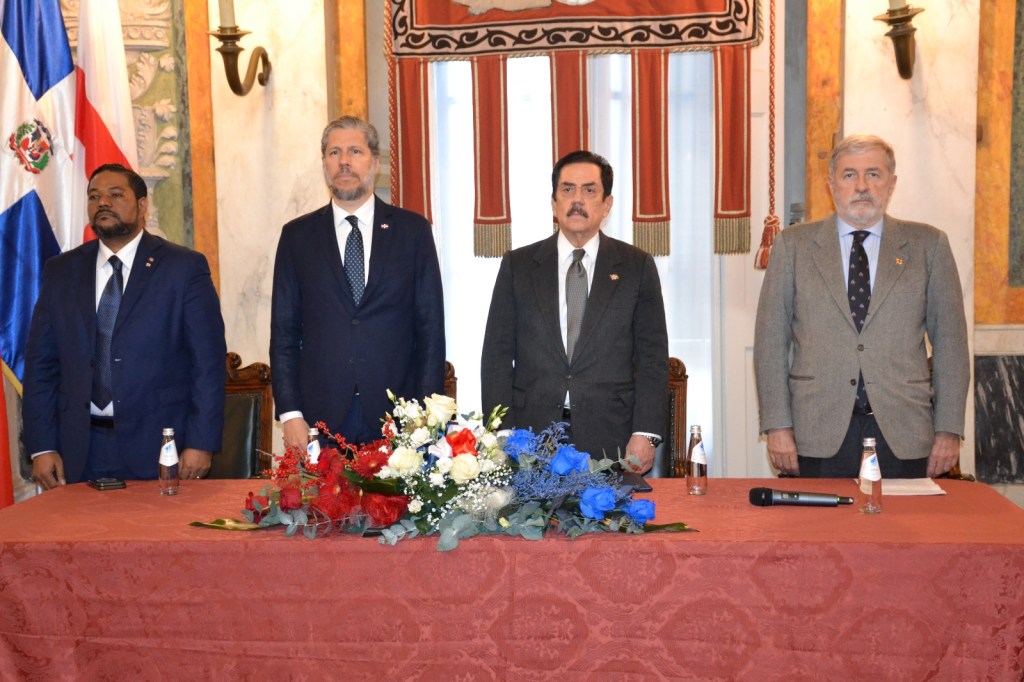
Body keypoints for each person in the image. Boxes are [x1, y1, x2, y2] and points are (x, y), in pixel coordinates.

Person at [754, 134, 969, 479]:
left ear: (891, 183)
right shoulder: (792, 247)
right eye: (849, 175)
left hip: (905, 432)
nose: (862, 186)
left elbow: (952, 345)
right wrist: (777, 426)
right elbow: (770, 343)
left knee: (906, 533)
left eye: (874, 174)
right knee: (822, 533)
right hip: (817, 431)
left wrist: (948, 430)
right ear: (831, 184)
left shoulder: (929, 246)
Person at [23, 164, 226, 487]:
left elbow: (208, 363)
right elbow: (41, 366)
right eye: (94, 197)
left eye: (115, 195)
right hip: (77, 449)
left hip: (159, 448)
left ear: (142, 206)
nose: (103, 202)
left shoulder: (183, 268)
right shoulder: (61, 271)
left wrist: (200, 442)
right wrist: (42, 446)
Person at [481, 150, 668, 473]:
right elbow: (496, 355)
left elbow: (652, 358)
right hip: (531, 438)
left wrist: (645, 433)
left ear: (607, 204)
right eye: (567, 190)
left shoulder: (637, 267)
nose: (577, 199)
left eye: (589, 190)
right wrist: (503, 431)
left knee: (608, 524)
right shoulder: (519, 266)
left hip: (612, 438)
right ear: (554, 203)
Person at [271, 116, 445, 448]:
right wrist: (290, 413)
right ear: (324, 164)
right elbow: (284, 334)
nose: (344, 162)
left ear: (375, 162)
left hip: (397, 418)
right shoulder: (297, 237)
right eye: (334, 153)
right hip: (318, 421)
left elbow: (430, 331)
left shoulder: (413, 232)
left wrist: (426, 415)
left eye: (355, 151)